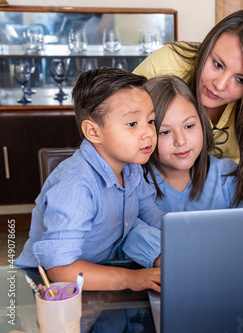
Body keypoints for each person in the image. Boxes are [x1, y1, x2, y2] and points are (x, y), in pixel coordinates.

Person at [15, 67, 163, 292]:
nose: (149, 133)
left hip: (96, 275)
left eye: (151, 120)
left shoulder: (131, 169)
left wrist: (186, 241)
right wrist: (129, 278)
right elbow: (60, 269)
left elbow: (151, 214)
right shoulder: (76, 185)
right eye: (133, 124)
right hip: (45, 289)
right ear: (93, 132)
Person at [133, 9, 243, 207]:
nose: (220, 85)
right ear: (207, 47)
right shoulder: (163, 67)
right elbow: (118, 129)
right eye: (217, 64)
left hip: (226, 196)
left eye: (240, 79)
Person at [122, 75, 243, 268]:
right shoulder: (133, 182)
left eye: (189, 126)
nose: (181, 141)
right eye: (165, 132)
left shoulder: (227, 176)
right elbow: (127, 232)